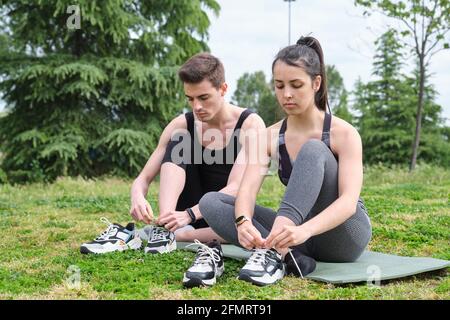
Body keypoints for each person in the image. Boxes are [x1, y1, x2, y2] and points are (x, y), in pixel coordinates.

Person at [199, 36, 372, 287]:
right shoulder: (267, 136)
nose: (286, 94)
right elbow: (246, 190)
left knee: (313, 149)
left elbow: (348, 204)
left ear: (316, 83)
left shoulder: (343, 134)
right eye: (279, 86)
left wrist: (304, 230)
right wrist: (243, 222)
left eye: (296, 85)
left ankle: (273, 252)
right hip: (298, 235)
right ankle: (291, 256)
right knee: (211, 202)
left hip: (343, 236)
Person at [80, 53, 266, 285]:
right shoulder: (182, 124)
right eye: (190, 99)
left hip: (219, 218)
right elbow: (143, 179)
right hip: (179, 216)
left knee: (241, 225)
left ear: (223, 89)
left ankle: (182, 235)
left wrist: (189, 216)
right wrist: (137, 196)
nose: (197, 106)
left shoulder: (250, 124)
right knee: (179, 139)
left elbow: (237, 188)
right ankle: (165, 230)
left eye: (204, 97)